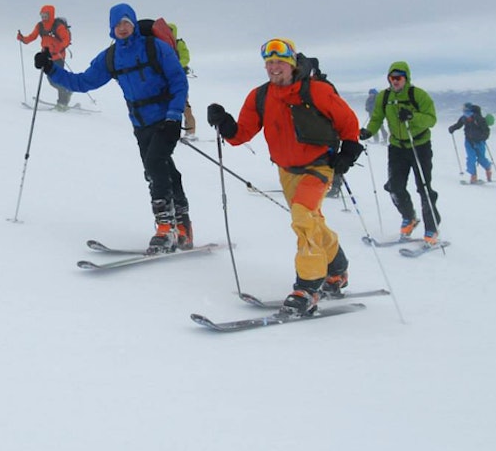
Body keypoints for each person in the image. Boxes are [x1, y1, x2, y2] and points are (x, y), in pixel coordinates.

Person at [206, 38, 363, 318]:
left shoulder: (316, 91)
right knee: (311, 221)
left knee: (303, 216)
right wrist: (224, 122)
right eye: (269, 62)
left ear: (291, 64)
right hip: (287, 171)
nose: (274, 67)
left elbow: (348, 122)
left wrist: (348, 153)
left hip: (319, 166)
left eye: (280, 61)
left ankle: (308, 287)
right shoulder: (260, 96)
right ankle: (337, 270)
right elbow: (241, 134)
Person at [33, 3, 191, 253]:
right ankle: (183, 226)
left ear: (133, 23)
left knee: (154, 164)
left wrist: (174, 116)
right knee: (160, 170)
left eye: (127, 22)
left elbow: (178, 81)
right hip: (140, 123)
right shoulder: (111, 57)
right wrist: (51, 69)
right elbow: (83, 81)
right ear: (112, 28)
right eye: (118, 24)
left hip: (166, 119)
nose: (123, 28)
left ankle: (166, 229)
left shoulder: (155, 47)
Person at [361, 62, 440, 244]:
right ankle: (409, 217)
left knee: (424, 189)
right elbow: (377, 118)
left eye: (399, 78)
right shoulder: (384, 96)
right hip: (397, 147)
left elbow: (431, 120)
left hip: (419, 145)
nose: (395, 81)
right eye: (391, 78)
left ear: (406, 78)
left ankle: (432, 227)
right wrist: (369, 131)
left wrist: (412, 116)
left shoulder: (418, 95)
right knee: (394, 186)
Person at [18, 5, 73, 110]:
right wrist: (23, 39)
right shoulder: (40, 26)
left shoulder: (58, 26)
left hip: (58, 56)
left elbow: (66, 40)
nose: (43, 18)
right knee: (51, 79)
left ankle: (63, 102)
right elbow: (32, 37)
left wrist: (58, 48)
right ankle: (67, 91)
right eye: (42, 15)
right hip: (46, 56)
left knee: (56, 79)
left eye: (46, 15)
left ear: (51, 15)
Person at [447, 102, 493, 183]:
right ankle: (473, 176)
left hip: (479, 142)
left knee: (481, 158)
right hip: (469, 141)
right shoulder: (464, 118)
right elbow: (458, 125)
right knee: (471, 158)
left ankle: (488, 169)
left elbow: (486, 130)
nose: (464, 112)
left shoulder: (479, 119)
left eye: (465, 110)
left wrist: (483, 137)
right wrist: (452, 128)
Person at [168, 21, 195, 139]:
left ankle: (190, 132)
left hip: (179, 79)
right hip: (166, 80)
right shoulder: (162, 45)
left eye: (170, 31)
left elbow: (186, 58)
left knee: (184, 105)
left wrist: (175, 65)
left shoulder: (179, 44)